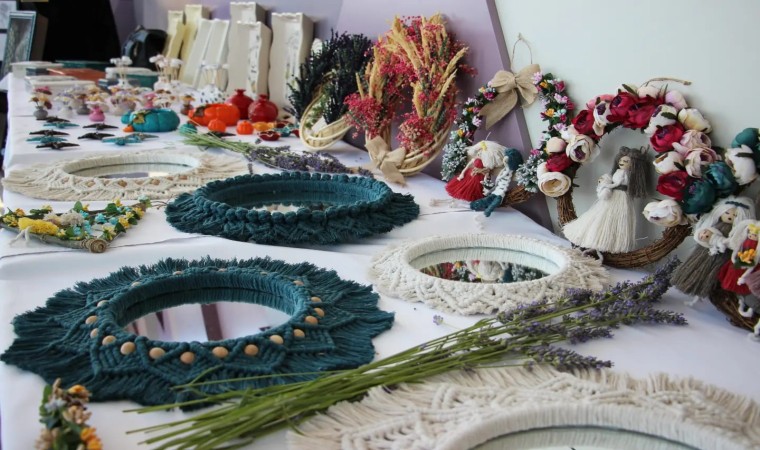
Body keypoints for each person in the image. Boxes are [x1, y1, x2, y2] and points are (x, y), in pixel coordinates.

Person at [562, 146, 649, 253]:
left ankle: (609, 243)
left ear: (633, 164)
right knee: (603, 214)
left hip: (621, 196)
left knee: (617, 218)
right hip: (613, 196)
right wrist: (605, 181)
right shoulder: (618, 171)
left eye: (626, 161)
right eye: (621, 160)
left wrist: (607, 186)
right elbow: (613, 181)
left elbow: (617, 184)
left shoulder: (626, 174)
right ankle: (597, 239)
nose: (622, 162)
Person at [673, 196, 755, 305]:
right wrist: (706, 237)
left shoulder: (735, 232)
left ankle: (702, 292)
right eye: (727, 213)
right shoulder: (713, 224)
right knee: (697, 267)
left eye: (734, 215)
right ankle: (689, 285)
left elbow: (734, 244)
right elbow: (700, 235)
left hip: (721, 256)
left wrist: (718, 240)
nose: (729, 217)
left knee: (711, 275)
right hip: (704, 252)